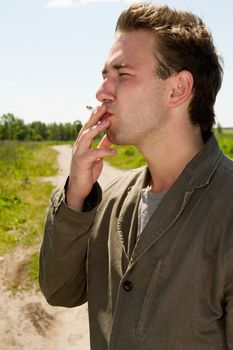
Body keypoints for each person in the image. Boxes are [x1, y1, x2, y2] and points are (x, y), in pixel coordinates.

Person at [39, 2, 233, 349]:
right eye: (104, 76)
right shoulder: (109, 198)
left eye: (122, 75)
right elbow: (59, 291)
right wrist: (75, 199)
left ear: (178, 89)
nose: (102, 91)